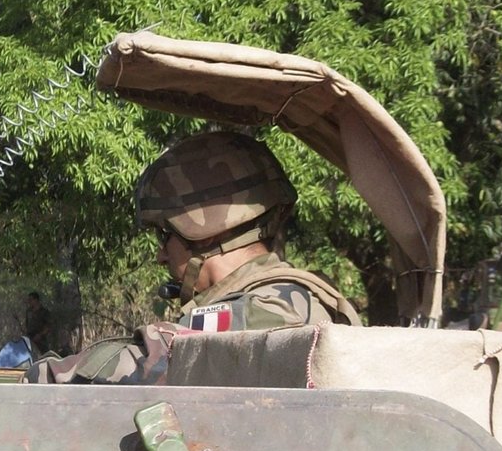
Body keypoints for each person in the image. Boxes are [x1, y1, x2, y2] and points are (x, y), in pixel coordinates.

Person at [38, 130, 359, 383]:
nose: (161, 257)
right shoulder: (288, 297)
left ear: (207, 231)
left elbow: (155, 358)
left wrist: (47, 377)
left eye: (165, 237)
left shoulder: (270, 309)